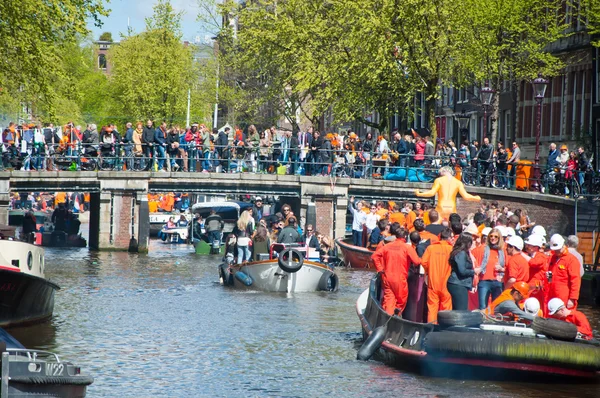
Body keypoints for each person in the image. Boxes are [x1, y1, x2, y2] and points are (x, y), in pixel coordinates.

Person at [372, 223, 421, 315]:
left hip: (387, 277)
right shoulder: (407, 247)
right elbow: (417, 261)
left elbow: (374, 256)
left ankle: (387, 318)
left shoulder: (387, 246)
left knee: (388, 299)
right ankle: (396, 316)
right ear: (405, 237)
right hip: (400, 278)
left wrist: (380, 269)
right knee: (401, 300)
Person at [415, 166, 481, 221]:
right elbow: (466, 196)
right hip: (452, 208)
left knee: (436, 226)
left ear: (445, 171)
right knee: (452, 228)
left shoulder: (439, 180)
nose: (440, 174)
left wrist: (420, 194)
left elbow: (432, 193)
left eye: (440, 173)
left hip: (441, 207)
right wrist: (476, 198)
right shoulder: (458, 182)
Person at [422, 228, 454, 322]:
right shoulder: (452, 249)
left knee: (432, 309)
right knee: (446, 308)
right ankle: (444, 329)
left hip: (433, 282)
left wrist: (429, 270)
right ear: (448, 238)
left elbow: (423, 262)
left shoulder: (431, 248)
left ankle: (431, 328)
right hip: (447, 284)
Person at [472, 227, 505, 310]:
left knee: (496, 308)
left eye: (495, 236)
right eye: (491, 236)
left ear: (499, 238)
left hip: (497, 282)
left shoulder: (502, 251)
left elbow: (507, 267)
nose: (493, 238)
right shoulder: (483, 249)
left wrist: (501, 269)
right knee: (482, 307)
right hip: (484, 281)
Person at [547, 234, 581, 312]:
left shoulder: (571, 260)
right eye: (555, 250)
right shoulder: (552, 258)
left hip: (564, 295)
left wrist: (572, 299)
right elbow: (550, 275)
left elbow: (575, 281)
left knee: (566, 318)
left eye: (558, 249)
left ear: (563, 245)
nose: (556, 251)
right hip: (551, 293)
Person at [447, 233, 478, 311]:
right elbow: (462, 271)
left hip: (459, 283)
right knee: (461, 310)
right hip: (458, 284)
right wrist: (473, 271)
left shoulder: (462, 252)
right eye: (471, 241)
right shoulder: (461, 253)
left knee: (457, 310)